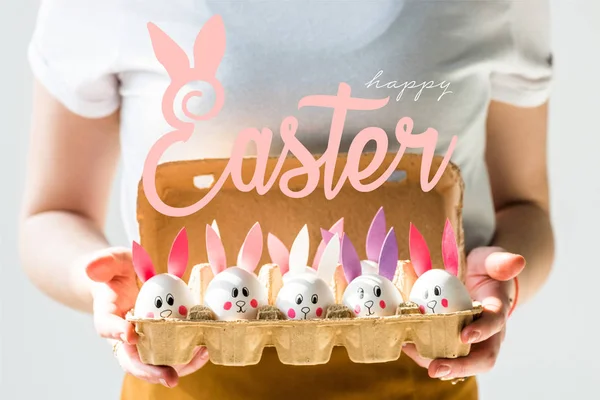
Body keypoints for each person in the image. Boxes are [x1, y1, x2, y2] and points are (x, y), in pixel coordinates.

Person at [19, 1, 555, 399]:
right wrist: (94, 278)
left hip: (422, 384)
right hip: (186, 388)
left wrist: (499, 286)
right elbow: (52, 214)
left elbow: (525, 207)